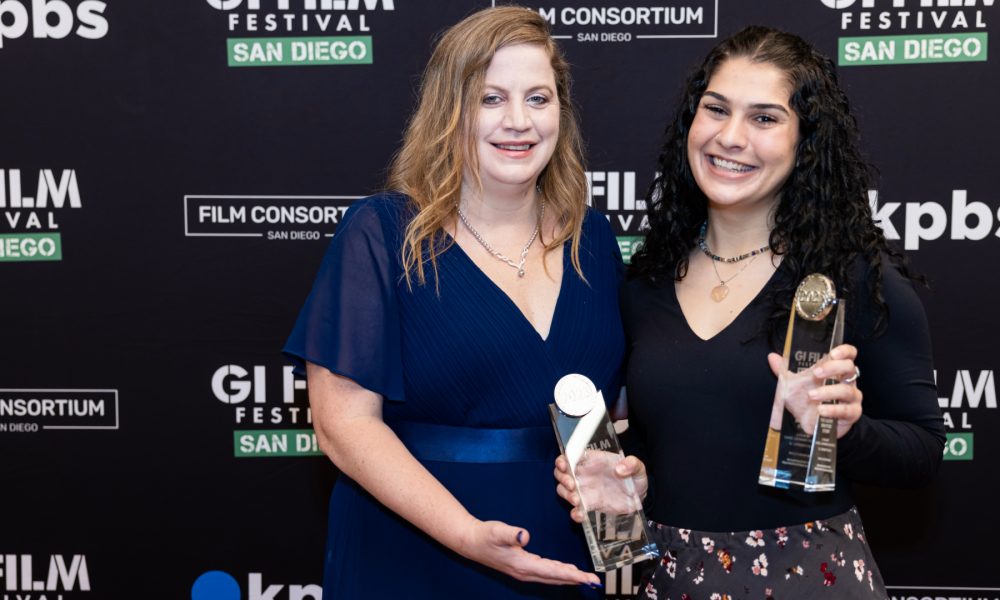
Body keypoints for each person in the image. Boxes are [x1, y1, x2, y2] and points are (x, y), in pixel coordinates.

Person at [554, 26, 944, 598]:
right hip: (670, 576)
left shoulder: (854, 278)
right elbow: (674, 438)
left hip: (809, 578)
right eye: (716, 109)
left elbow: (923, 453)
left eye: (764, 118)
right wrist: (630, 476)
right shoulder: (645, 282)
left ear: (805, 140)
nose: (730, 137)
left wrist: (846, 431)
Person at [284, 6, 624, 598]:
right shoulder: (383, 233)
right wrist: (466, 535)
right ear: (450, 109)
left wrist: (624, 478)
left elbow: (602, 415)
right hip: (415, 547)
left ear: (560, 113)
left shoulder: (592, 240)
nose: (518, 121)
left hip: (560, 550)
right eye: (491, 98)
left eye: (538, 98)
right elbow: (342, 427)